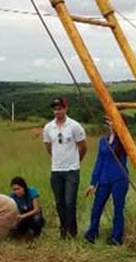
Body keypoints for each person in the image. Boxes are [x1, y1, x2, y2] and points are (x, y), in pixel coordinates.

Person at [42, 97, 87, 239]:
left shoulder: (74, 126)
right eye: (55, 109)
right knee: (60, 203)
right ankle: (63, 231)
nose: (57, 111)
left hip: (72, 170)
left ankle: (72, 232)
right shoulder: (49, 127)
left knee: (69, 202)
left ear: (66, 109)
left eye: (60, 108)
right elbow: (48, 147)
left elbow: (83, 147)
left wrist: (76, 161)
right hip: (56, 170)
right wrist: (56, 159)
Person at [84, 115, 129, 245]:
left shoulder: (124, 140)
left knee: (118, 208)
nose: (110, 124)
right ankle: (92, 233)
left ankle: (116, 237)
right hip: (104, 179)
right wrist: (93, 183)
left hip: (119, 178)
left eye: (113, 121)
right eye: (109, 121)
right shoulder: (103, 140)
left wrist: (120, 131)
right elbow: (99, 161)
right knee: (97, 206)